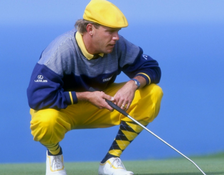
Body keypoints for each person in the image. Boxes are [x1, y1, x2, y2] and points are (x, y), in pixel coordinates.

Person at [27, 0, 163, 174]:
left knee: (152, 93)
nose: (116, 37)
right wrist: (85, 96)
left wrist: (132, 83)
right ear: (90, 29)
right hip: (64, 110)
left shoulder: (118, 45)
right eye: (110, 32)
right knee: (44, 122)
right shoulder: (61, 50)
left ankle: (111, 160)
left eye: (118, 32)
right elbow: (37, 97)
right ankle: (54, 155)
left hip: (102, 104)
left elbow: (152, 68)